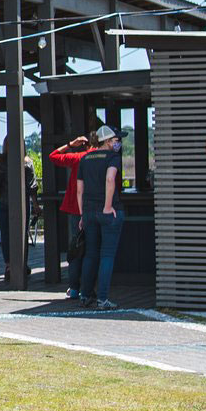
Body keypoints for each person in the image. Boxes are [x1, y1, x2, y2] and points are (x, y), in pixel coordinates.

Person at [73, 124, 125, 309]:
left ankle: (85, 295)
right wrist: (108, 206)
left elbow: (79, 190)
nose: (118, 143)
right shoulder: (113, 157)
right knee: (107, 255)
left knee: (90, 254)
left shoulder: (85, 158)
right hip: (108, 212)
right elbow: (110, 179)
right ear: (108, 141)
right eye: (116, 140)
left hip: (88, 212)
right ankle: (102, 299)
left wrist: (82, 214)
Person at [47, 133, 93, 296]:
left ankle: (74, 288)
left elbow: (53, 156)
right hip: (95, 208)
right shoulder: (103, 158)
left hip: (76, 209)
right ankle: (89, 289)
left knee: (76, 247)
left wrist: (70, 144)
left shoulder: (78, 158)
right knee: (93, 249)